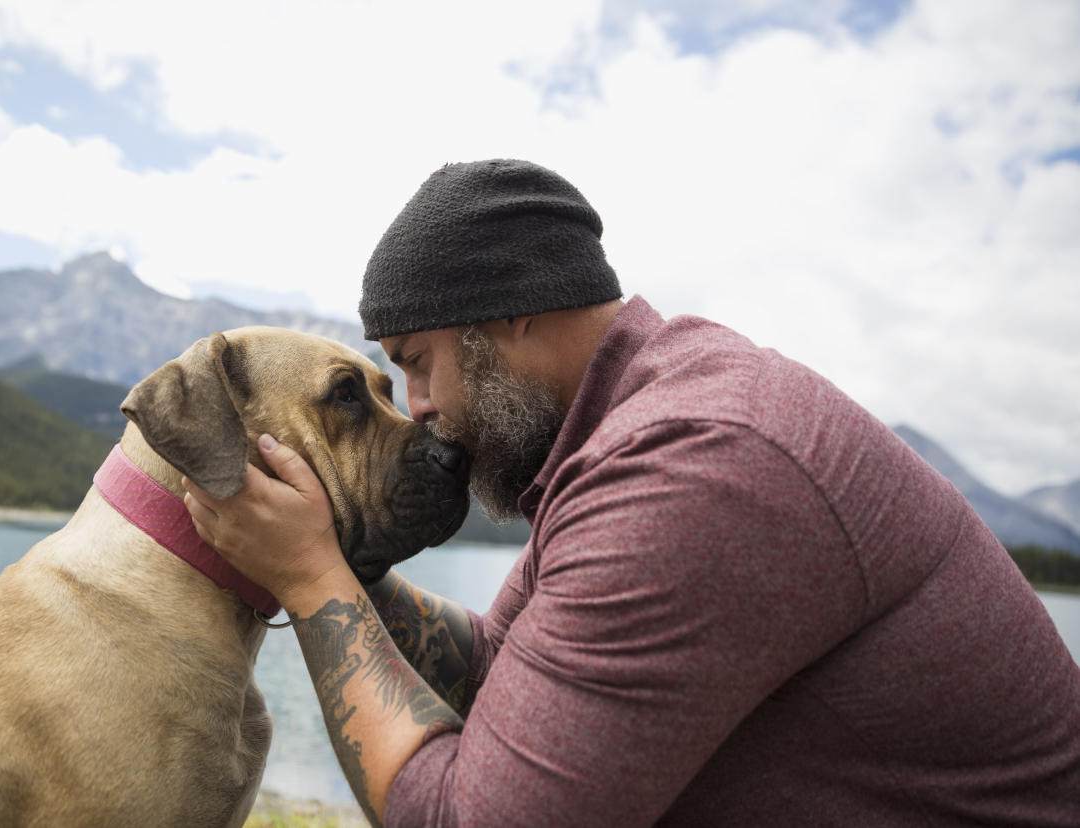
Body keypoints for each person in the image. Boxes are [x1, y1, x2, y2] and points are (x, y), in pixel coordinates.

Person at [182, 159, 1080, 827]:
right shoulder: (636, 417)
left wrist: (310, 585)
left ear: (511, 314)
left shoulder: (695, 466)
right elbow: (500, 663)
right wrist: (340, 553)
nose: (420, 411)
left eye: (418, 365)